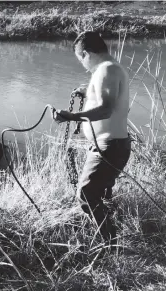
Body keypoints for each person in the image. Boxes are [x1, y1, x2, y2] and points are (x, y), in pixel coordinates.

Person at [51, 31, 131, 247]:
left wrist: (72, 116)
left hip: (109, 146)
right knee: (101, 193)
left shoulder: (106, 70)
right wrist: (87, 91)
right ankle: (113, 241)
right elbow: (109, 97)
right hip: (111, 144)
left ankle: (111, 246)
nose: (83, 65)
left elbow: (106, 109)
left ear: (85, 53)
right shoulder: (111, 68)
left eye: (80, 59)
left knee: (86, 194)